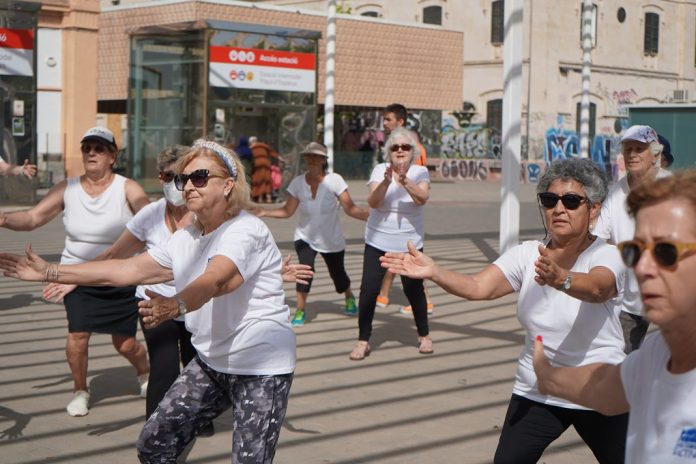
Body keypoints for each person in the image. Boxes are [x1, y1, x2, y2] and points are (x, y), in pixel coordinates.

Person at [0, 139, 295, 462]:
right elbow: (123, 270)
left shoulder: (244, 230)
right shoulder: (185, 239)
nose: (187, 186)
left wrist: (176, 304)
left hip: (260, 366)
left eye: (199, 177)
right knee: (154, 442)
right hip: (213, 363)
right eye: (182, 179)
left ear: (227, 185)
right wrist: (51, 271)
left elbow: (218, 279)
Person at [381, 158, 628, 463]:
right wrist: (434, 271)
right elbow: (477, 287)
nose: (559, 209)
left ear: (593, 209)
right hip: (538, 388)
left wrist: (561, 278)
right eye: (550, 200)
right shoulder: (527, 255)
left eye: (572, 201)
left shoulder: (607, 255)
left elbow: (598, 288)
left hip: (599, 386)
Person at [532, 170, 696, 464]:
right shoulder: (657, 354)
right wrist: (547, 377)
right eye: (636, 251)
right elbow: (605, 387)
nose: (643, 268)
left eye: (665, 251)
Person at [0, 126, 151, 417]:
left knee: (126, 344)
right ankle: (80, 390)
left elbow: (150, 221)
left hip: (119, 275)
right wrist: (5, 219)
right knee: (77, 337)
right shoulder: (66, 188)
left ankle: (145, 373)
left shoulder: (128, 188)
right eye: (87, 148)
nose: (92, 153)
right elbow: (33, 217)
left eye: (99, 148)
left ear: (112, 156)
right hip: (74, 277)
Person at [255, 141, 368, 327]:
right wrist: (264, 212)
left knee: (338, 275)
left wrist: (373, 218)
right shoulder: (298, 183)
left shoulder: (335, 180)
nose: (312, 160)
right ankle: (300, 309)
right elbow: (287, 211)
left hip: (331, 239)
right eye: (309, 156)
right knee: (305, 272)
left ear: (323, 160)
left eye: (316, 156)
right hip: (304, 237)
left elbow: (350, 208)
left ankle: (348, 295)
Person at [350, 127, 432, 360]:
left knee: (414, 290)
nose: (400, 151)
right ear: (389, 152)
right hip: (377, 241)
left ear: (412, 152)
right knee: (368, 291)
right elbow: (373, 202)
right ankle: (363, 340)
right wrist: (387, 182)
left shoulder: (420, 172)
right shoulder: (379, 170)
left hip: (409, 245)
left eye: (405, 147)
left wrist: (405, 181)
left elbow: (422, 198)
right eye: (395, 147)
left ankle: (424, 334)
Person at [594, 124, 671, 353]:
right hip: (630, 299)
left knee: (678, 368)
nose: (632, 154)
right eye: (628, 149)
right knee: (620, 363)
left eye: (640, 148)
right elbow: (599, 239)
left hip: (672, 297)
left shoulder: (671, 188)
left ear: (655, 154)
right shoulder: (615, 193)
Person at [376, 103, 434, 315]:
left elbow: (418, 181)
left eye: (388, 119)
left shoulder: (409, 146)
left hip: (407, 215)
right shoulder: (395, 144)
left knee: (409, 258)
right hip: (395, 213)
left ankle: (424, 301)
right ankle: (383, 294)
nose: (385, 123)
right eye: (384, 119)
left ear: (400, 122)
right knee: (397, 255)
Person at [250, 136, 280, 203]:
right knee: (267, 180)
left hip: (257, 164)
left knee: (258, 179)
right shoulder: (263, 145)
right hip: (266, 164)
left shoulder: (251, 148)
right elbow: (272, 152)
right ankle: (268, 198)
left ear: (252, 142)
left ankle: (260, 198)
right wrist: (280, 158)